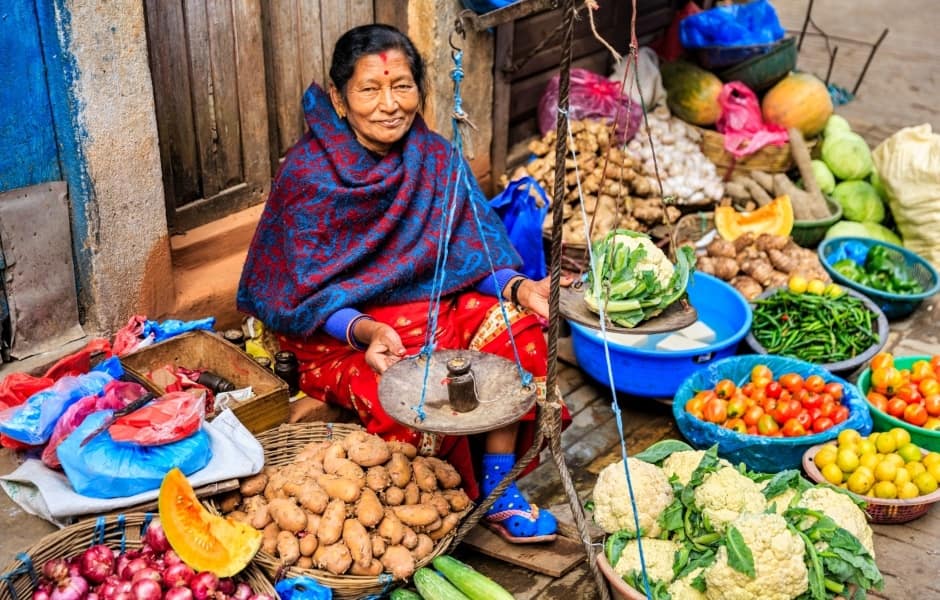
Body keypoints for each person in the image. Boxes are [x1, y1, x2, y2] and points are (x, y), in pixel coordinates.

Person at [237, 24, 568, 543]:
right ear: (340, 100)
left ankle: (499, 484)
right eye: (370, 89)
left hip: (436, 306)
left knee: (521, 334)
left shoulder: (434, 158)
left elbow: (472, 247)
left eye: (403, 86)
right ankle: (447, 496)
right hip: (342, 337)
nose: (390, 104)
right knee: (410, 395)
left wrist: (519, 288)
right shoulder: (308, 174)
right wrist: (365, 329)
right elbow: (299, 290)